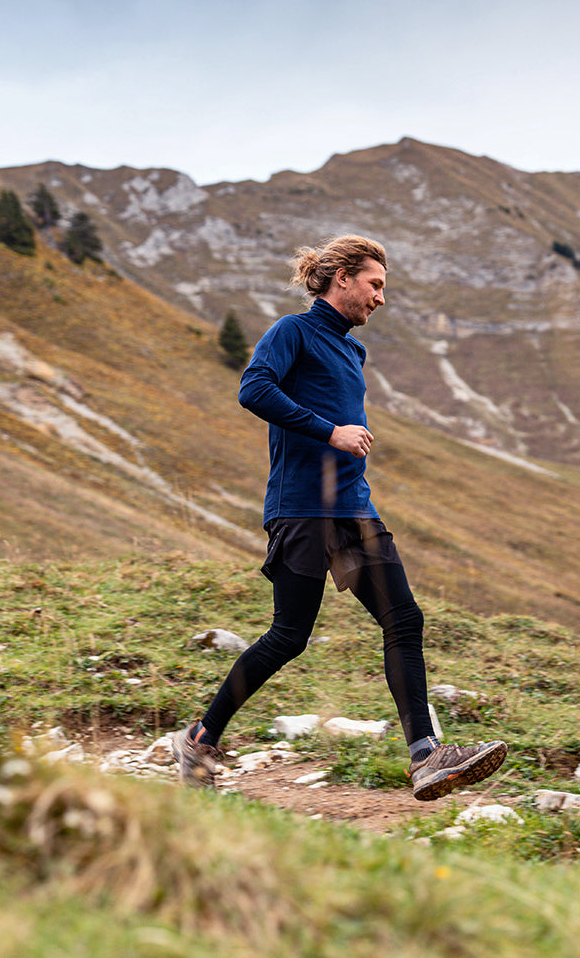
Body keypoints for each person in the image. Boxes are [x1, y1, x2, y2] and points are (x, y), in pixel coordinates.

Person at [172, 233, 507, 800]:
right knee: (289, 636)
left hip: (354, 508)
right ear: (341, 278)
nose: (380, 298)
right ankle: (200, 737)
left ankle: (425, 755)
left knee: (404, 619)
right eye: (375, 285)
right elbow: (253, 390)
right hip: (302, 509)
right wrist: (330, 431)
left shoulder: (352, 349)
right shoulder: (292, 332)